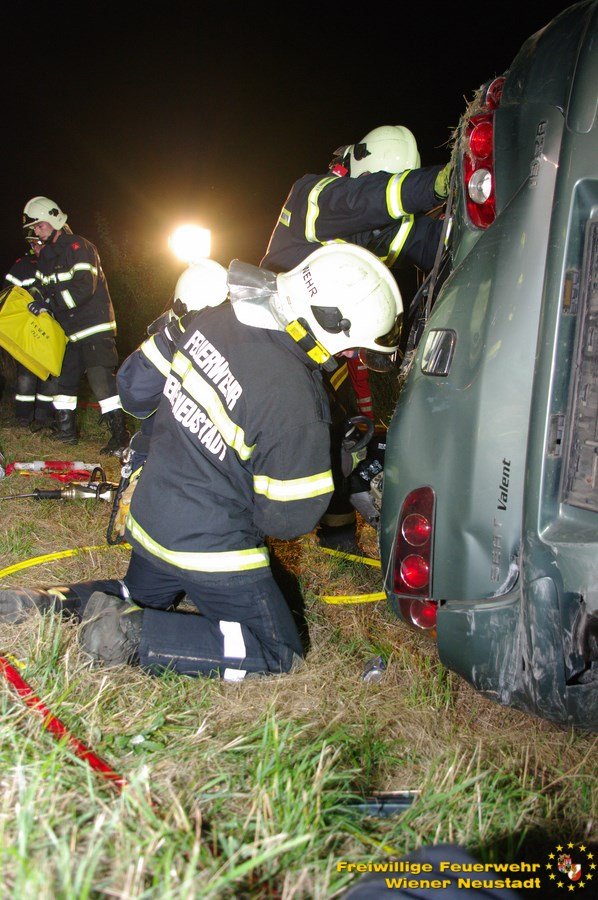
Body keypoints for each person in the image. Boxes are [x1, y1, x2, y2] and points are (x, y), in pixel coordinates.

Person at [0, 243, 402, 678]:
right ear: (327, 322)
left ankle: (39, 603)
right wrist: (333, 458)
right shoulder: (295, 401)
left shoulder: (217, 316)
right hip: (210, 546)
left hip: (151, 516)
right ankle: (129, 635)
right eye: (352, 348)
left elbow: (148, 394)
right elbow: (286, 521)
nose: (349, 357)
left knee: (134, 594)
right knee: (278, 651)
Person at [261, 124, 450, 552]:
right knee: (302, 440)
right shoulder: (316, 196)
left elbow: (432, 242)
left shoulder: (380, 221)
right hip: (273, 348)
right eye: (387, 183)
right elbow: (367, 199)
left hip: (321, 355)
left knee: (341, 440)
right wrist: (436, 183)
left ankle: (338, 538)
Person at [22, 196, 130, 455]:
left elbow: (84, 288)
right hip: (68, 332)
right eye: (34, 228)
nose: (37, 232)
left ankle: (120, 437)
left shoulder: (79, 247)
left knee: (100, 381)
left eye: (40, 226)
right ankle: (66, 432)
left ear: (55, 220)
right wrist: (35, 300)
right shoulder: (46, 256)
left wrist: (50, 303)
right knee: (64, 383)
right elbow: (41, 288)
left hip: (93, 328)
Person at [3, 236, 57, 430]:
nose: (37, 247)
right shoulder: (23, 265)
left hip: (53, 329)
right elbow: (8, 292)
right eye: (34, 244)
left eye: (40, 243)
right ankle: (23, 419)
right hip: (28, 330)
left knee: (49, 375)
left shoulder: (58, 264)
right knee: (26, 374)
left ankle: (44, 418)